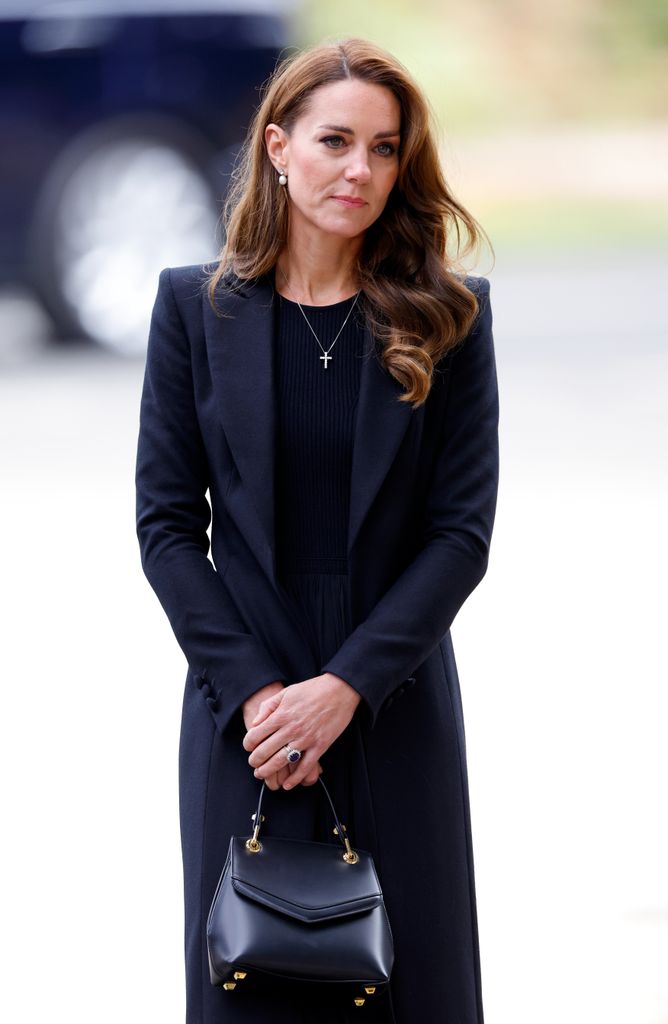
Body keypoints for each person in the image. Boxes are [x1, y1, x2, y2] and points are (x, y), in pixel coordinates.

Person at [135, 36, 499, 1024]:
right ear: (277, 146)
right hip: (242, 719)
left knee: (412, 990)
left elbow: (459, 535)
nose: (359, 170)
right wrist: (259, 695)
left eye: (384, 149)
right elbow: (167, 527)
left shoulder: (449, 317)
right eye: (335, 140)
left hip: (393, 701)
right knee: (247, 988)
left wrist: (345, 689)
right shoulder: (191, 310)